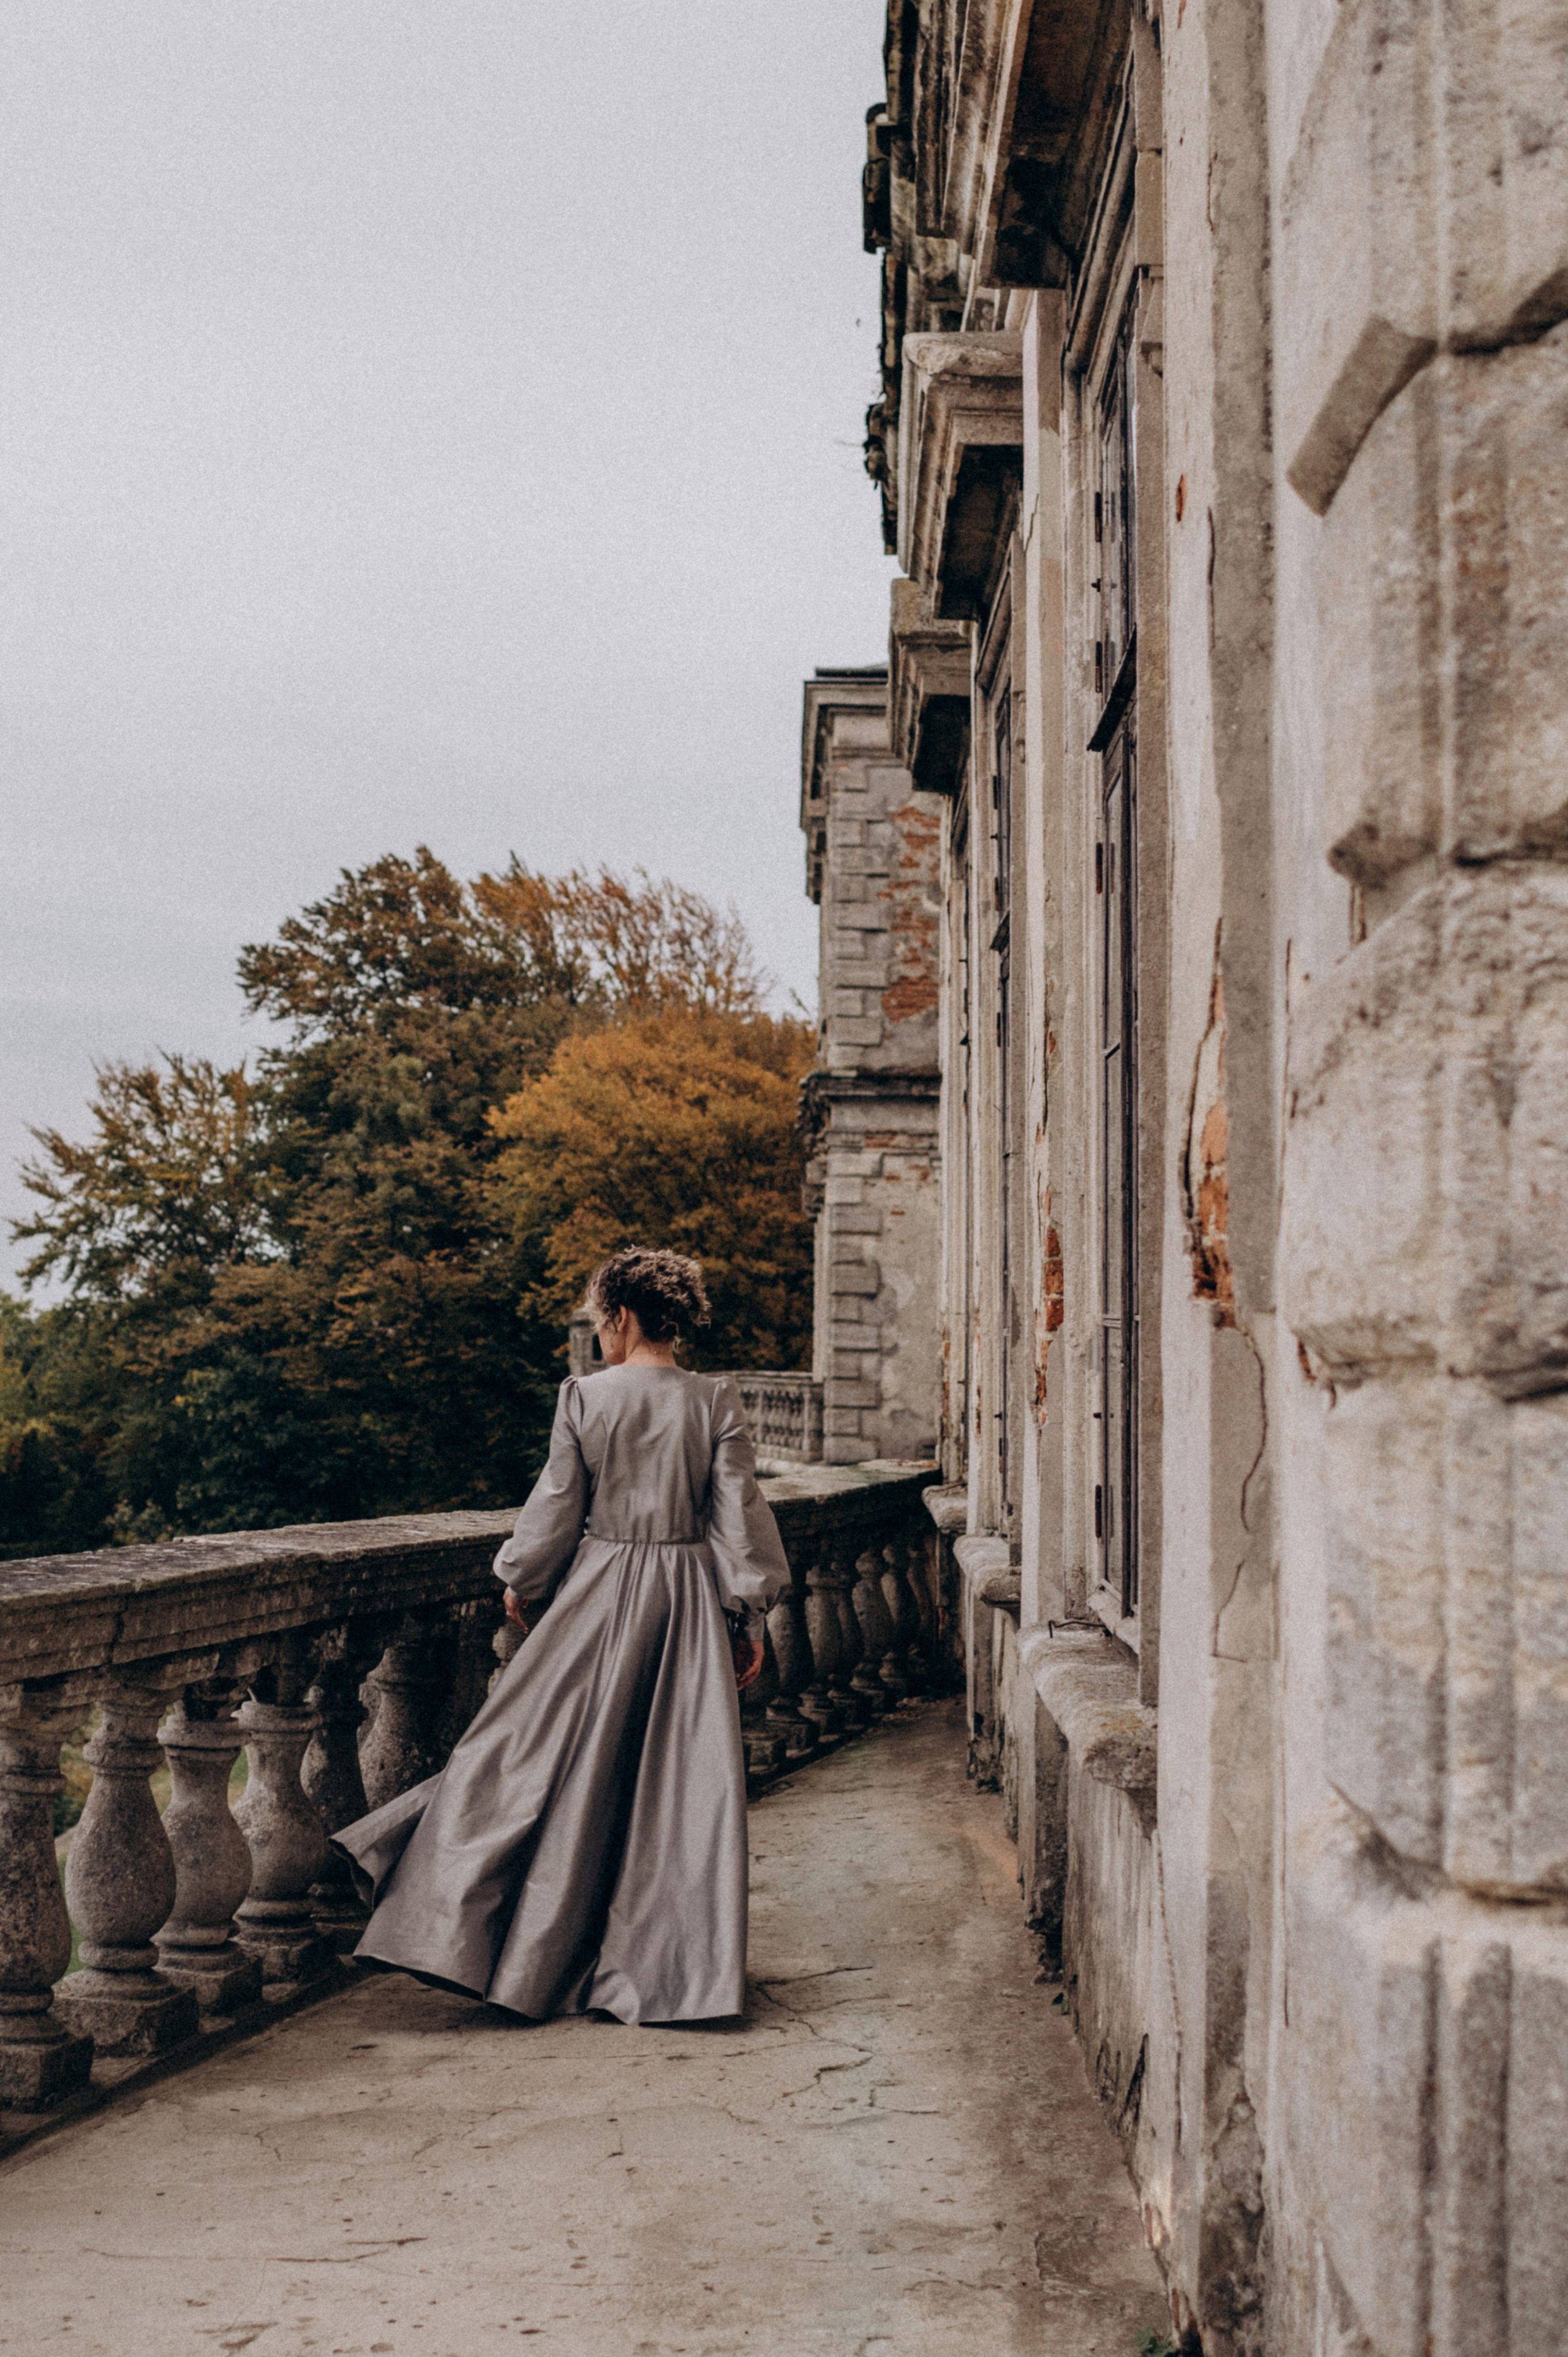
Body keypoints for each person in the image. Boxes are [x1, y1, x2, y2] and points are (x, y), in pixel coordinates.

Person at [333, 1245, 791, 2024]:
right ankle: (673, 1973)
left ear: (618, 1316)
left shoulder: (583, 1397)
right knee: (670, 1789)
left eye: (598, 1317)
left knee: (520, 1757)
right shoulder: (715, 1399)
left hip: (599, 1593)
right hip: (684, 1602)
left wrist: (524, 1579)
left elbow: (555, 1506)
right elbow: (740, 1522)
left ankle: (483, 1934)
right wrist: (745, 1616)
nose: (598, 1332)